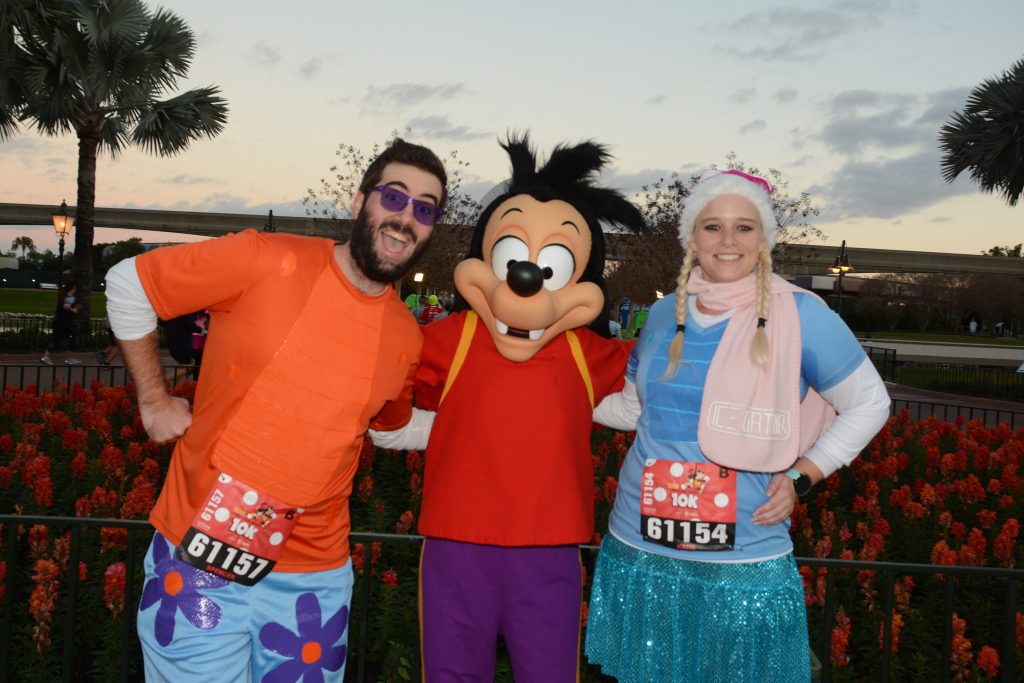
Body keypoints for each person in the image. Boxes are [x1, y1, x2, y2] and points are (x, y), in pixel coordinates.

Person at [104, 138, 448, 682]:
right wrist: (154, 400)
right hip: (199, 561)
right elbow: (129, 283)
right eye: (395, 196)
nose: (406, 217)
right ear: (360, 203)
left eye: (425, 209)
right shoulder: (261, 258)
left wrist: (499, 425)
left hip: (313, 582)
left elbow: (390, 430)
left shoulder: (406, 336)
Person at [585, 169, 891, 683]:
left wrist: (804, 475)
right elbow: (635, 411)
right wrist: (557, 395)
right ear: (691, 238)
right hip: (640, 543)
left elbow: (870, 403)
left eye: (744, 227)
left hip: (743, 554)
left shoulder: (802, 316)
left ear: (764, 239)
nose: (728, 241)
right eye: (712, 226)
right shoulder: (663, 315)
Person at [373, 134, 647, 682]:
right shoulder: (446, 339)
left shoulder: (583, 349)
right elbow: (387, 392)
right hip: (456, 542)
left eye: (553, 265)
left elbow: (656, 380)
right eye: (512, 256)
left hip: (548, 548)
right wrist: (413, 425)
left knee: (547, 672)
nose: (526, 280)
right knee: (451, 673)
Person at [41, 283, 81, 365]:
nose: (75, 290)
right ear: (72, 289)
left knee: (56, 339)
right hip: (66, 323)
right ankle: (69, 358)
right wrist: (74, 310)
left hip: (59, 322)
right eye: (75, 288)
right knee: (72, 339)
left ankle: (46, 356)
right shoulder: (70, 298)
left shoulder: (63, 297)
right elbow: (66, 306)